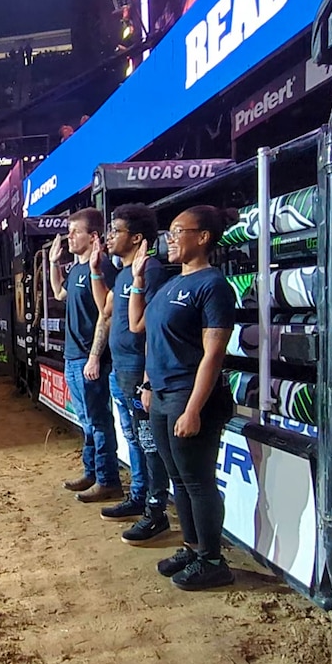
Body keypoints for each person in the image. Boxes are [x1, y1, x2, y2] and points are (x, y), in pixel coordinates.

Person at [129, 206, 236, 590]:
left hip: (189, 396)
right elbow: (137, 325)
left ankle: (212, 560)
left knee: (197, 481)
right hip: (161, 396)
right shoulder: (170, 284)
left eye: (178, 231)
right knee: (178, 478)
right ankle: (193, 549)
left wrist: (193, 408)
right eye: (169, 232)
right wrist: (138, 280)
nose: (170, 239)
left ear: (203, 237)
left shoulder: (213, 285)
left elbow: (214, 353)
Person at [93, 204, 171, 543]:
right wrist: (96, 270)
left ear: (137, 237)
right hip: (120, 371)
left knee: (149, 445)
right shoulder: (124, 273)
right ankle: (139, 497)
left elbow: (153, 330)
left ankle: (156, 510)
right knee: (136, 441)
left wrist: (148, 381)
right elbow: (105, 311)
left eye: (116, 231)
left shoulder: (150, 271)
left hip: (140, 374)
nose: (109, 236)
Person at [49, 208, 122, 503]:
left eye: (74, 231)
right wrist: (53, 263)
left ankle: (107, 479)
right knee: (87, 420)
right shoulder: (77, 269)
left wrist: (94, 357)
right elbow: (59, 295)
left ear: (93, 236)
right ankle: (92, 472)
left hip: (90, 359)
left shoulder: (101, 269)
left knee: (99, 421)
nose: (69, 236)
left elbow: (106, 316)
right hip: (73, 357)